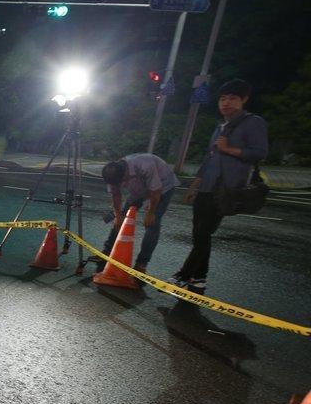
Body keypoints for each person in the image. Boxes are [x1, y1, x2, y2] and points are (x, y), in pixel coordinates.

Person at [173, 79, 268, 294]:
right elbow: (209, 157)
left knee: (203, 232)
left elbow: (259, 152)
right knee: (199, 233)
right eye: (223, 99)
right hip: (207, 186)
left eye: (232, 98)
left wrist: (229, 149)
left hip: (227, 188)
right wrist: (194, 185)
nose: (226, 103)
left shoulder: (253, 123)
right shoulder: (220, 126)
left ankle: (184, 274)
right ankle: (198, 278)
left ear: (244, 100)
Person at [97, 153, 178, 273]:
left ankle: (141, 263)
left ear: (126, 174)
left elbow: (155, 191)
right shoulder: (112, 174)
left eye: (122, 182)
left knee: (152, 223)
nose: (121, 185)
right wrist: (118, 215)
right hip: (139, 188)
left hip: (163, 186)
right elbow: (116, 194)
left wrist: (151, 211)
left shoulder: (145, 165)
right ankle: (107, 251)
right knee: (121, 217)